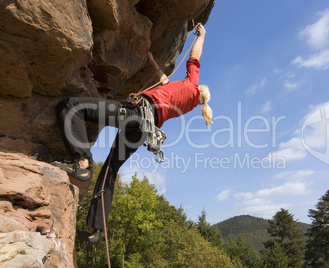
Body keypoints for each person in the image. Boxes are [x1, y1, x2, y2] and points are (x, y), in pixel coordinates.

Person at [52, 24, 212, 244]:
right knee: (110, 169)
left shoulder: (192, 85)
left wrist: (201, 36)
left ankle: (81, 162)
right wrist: (151, 59)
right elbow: (164, 80)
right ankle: (95, 230)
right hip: (144, 130)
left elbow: (194, 57)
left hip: (135, 112)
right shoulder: (188, 103)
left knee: (71, 107)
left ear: (200, 90)